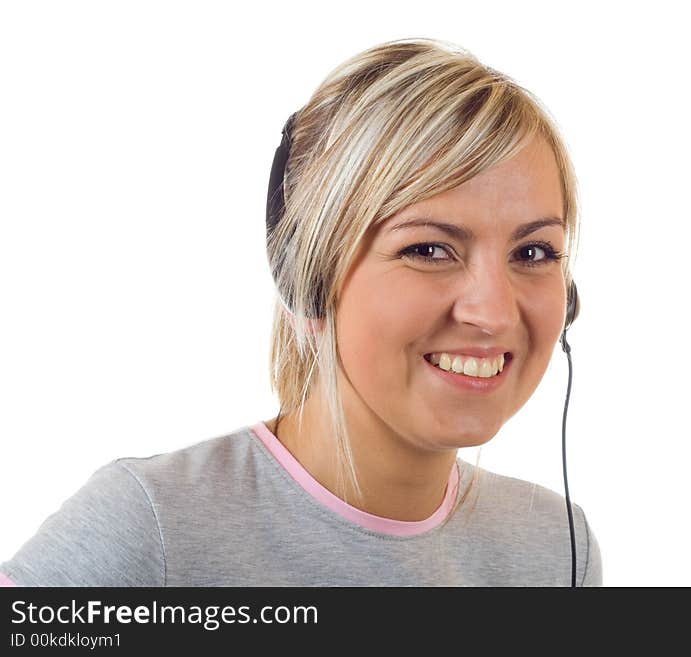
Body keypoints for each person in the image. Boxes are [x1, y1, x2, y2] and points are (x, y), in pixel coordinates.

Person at [0, 37, 601, 587]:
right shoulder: (148, 530)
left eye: (534, 252)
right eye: (428, 249)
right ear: (308, 279)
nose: (493, 312)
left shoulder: (556, 548)